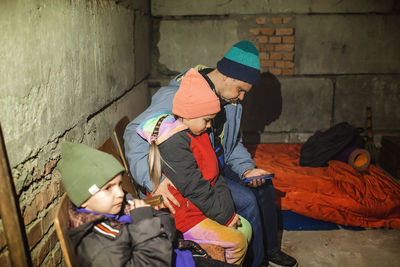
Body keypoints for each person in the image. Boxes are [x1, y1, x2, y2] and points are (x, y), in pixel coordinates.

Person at [124, 41, 298, 267]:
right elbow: (133, 132)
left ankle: (268, 250)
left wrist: (246, 168)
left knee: (263, 185)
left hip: (216, 164)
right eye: (242, 90)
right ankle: (254, 260)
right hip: (197, 172)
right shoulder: (179, 95)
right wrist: (152, 179)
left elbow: (234, 144)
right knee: (247, 200)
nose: (243, 97)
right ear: (228, 77)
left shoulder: (232, 100)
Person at [136, 68, 251, 265]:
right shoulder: (174, 143)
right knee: (238, 241)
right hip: (183, 216)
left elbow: (215, 177)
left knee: (246, 227)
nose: (209, 126)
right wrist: (225, 217)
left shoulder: (200, 133)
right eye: (206, 120)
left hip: (198, 207)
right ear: (189, 114)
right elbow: (195, 187)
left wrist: (227, 213)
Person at [57, 142, 173, 267]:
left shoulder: (121, 206)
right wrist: (145, 223)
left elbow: (168, 223)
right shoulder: (100, 248)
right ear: (84, 200)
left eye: (119, 184)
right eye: (107, 188)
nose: (120, 193)